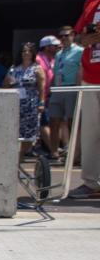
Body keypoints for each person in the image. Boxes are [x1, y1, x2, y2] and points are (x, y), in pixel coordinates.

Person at [69, 0, 100, 199]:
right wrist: (87, 38)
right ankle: (92, 183)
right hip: (91, 74)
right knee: (91, 131)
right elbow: (78, 34)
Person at [3, 42, 46, 159]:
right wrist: (8, 82)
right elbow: (5, 85)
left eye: (29, 51)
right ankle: (14, 157)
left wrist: (42, 103)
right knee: (15, 131)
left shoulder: (37, 69)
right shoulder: (13, 69)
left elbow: (42, 87)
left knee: (29, 134)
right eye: (24, 51)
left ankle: (20, 156)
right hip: (16, 104)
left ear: (33, 53)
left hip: (30, 104)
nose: (26, 53)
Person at [48, 26, 83, 161]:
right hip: (58, 88)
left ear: (73, 35)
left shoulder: (80, 51)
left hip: (72, 88)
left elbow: (81, 70)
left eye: (66, 35)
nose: (63, 38)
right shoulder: (59, 53)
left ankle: (75, 153)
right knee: (53, 120)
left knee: (71, 121)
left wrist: (79, 89)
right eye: (61, 36)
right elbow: (56, 72)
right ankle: (54, 152)